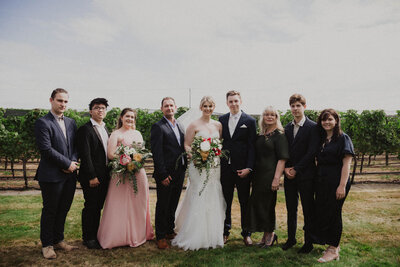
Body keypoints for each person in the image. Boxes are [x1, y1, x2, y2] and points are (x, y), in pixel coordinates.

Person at [172, 96, 226, 250]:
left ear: (213, 107)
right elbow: (187, 145)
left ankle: (212, 233)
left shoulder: (218, 125)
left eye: (210, 106)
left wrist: (213, 153)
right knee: (198, 194)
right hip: (198, 165)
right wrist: (195, 157)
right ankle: (194, 233)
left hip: (214, 165)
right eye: (205, 106)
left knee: (213, 193)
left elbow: (219, 144)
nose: (208, 109)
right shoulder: (193, 125)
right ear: (200, 107)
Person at [97, 108, 154, 248]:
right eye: (127, 116)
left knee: (138, 204)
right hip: (121, 173)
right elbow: (110, 154)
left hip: (137, 173)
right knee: (119, 205)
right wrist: (125, 159)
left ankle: (139, 234)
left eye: (132, 117)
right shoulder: (116, 134)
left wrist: (136, 159)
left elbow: (141, 152)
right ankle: (118, 236)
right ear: (121, 118)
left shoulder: (138, 133)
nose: (130, 119)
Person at [34, 88, 79, 259]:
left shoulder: (71, 122)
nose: (63, 104)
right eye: (60, 100)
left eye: (66, 101)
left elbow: (75, 146)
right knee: (50, 210)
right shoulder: (42, 123)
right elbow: (46, 149)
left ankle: (58, 240)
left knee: (63, 209)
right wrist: (66, 163)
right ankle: (47, 245)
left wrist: (72, 163)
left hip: (69, 175)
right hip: (51, 175)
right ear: (51, 100)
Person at [312, 109, 354, 263]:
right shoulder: (322, 139)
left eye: (330, 119)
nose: (326, 122)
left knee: (334, 213)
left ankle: (333, 249)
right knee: (325, 212)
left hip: (337, 181)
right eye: (324, 120)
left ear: (336, 121)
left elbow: (346, 164)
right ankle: (331, 244)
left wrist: (342, 185)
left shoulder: (343, 138)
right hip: (322, 182)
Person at [244, 106, 289, 248]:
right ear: (262, 117)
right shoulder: (262, 134)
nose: (269, 117)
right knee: (258, 205)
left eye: (272, 115)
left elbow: (282, 159)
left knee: (268, 205)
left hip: (270, 175)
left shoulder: (280, 135)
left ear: (277, 117)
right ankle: (265, 234)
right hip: (258, 175)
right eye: (266, 115)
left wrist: (276, 178)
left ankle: (271, 233)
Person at [282, 93, 319, 253]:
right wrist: (286, 169)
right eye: (293, 106)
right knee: (291, 208)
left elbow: (311, 152)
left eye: (298, 106)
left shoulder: (313, 127)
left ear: (304, 106)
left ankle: (308, 242)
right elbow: (285, 151)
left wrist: (296, 169)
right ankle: (291, 239)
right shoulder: (287, 128)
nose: (295, 109)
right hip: (289, 175)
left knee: (307, 209)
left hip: (306, 175)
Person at [219, 90, 257, 245]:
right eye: (230, 101)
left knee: (244, 201)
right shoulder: (221, 119)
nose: (233, 104)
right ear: (227, 103)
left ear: (241, 101)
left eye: (236, 101)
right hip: (226, 168)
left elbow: (252, 147)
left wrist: (249, 167)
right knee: (225, 201)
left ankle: (246, 233)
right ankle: (225, 231)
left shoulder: (249, 121)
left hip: (243, 169)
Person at [151, 97, 187, 249]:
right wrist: (163, 174)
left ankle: (169, 230)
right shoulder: (158, 127)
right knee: (163, 205)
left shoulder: (179, 125)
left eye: (171, 105)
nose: (169, 108)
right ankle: (160, 236)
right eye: (166, 106)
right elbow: (157, 153)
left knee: (173, 203)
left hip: (179, 172)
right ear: (162, 109)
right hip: (166, 173)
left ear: (175, 107)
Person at [76, 98, 110, 249]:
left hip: (105, 175)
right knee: (91, 207)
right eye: (97, 108)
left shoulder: (105, 128)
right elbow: (86, 154)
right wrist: (91, 176)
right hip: (92, 176)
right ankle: (88, 238)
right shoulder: (85, 129)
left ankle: (95, 235)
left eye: (103, 108)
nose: (100, 110)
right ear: (91, 111)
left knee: (98, 207)